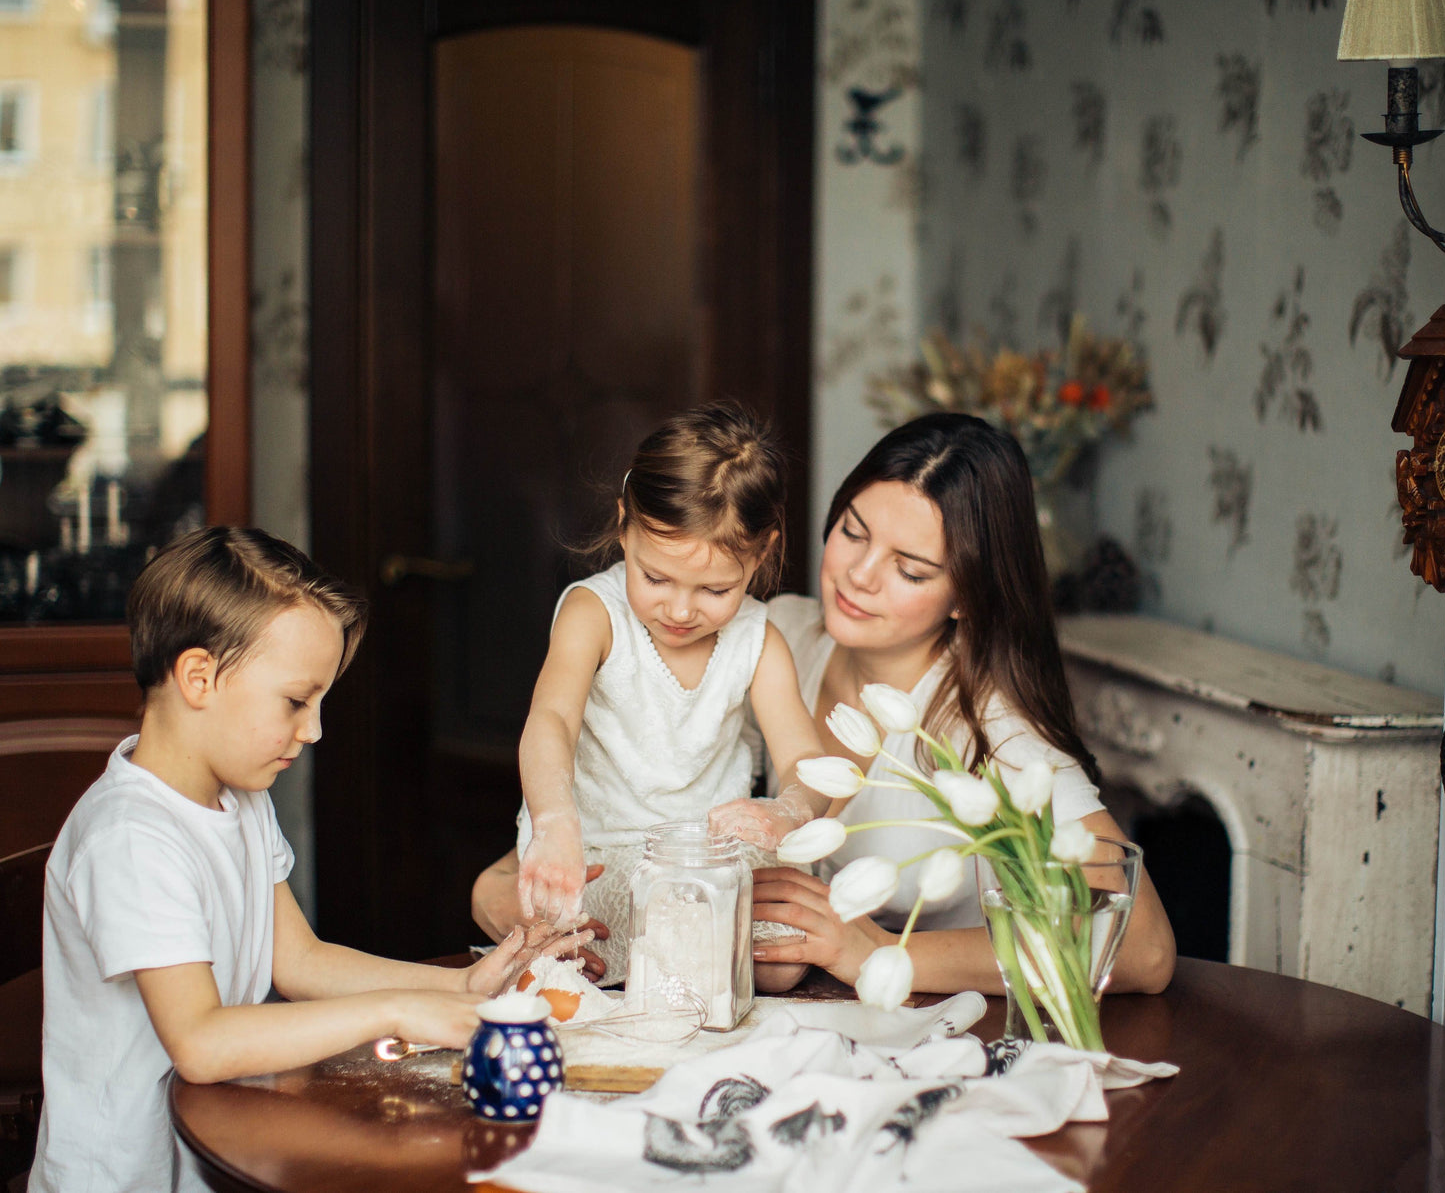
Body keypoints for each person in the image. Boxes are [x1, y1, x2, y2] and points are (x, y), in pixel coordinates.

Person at [29, 527, 590, 1193]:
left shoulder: (237, 799)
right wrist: (393, 1013)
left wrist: (456, 988)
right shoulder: (130, 839)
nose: (314, 729)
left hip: (213, 1151)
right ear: (199, 677)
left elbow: (298, 961)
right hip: (129, 1178)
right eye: (296, 701)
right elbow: (201, 1043)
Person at [749, 412, 1176, 996]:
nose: (859, 576)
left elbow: (1145, 949)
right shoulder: (778, 637)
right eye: (852, 532)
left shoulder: (990, 726)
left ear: (965, 598)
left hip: (948, 1037)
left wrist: (879, 951)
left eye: (909, 569)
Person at [484, 402, 829, 983]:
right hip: (600, 850)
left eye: (715, 589)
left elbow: (806, 760)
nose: (680, 609)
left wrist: (788, 810)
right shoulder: (594, 613)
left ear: (761, 554)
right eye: (656, 577)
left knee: (781, 963)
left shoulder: (758, 640)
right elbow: (552, 720)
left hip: (706, 858)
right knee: (595, 949)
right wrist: (554, 821)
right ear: (625, 525)